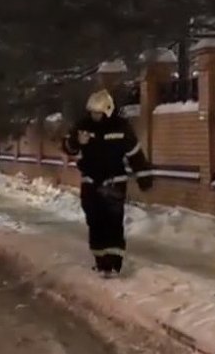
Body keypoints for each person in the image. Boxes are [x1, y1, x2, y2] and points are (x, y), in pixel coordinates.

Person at [61, 89, 152, 277]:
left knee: (113, 221)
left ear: (108, 111)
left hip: (114, 182)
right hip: (91, 181)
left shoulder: (121, 128)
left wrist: (144, 177)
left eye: (98, 112)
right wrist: (76, 141)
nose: (94, 116)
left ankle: (114, 262)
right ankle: (101, 261)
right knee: (95, 220)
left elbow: (135, 154)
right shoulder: (83, 127)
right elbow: (67, 148)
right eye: (92, 112)